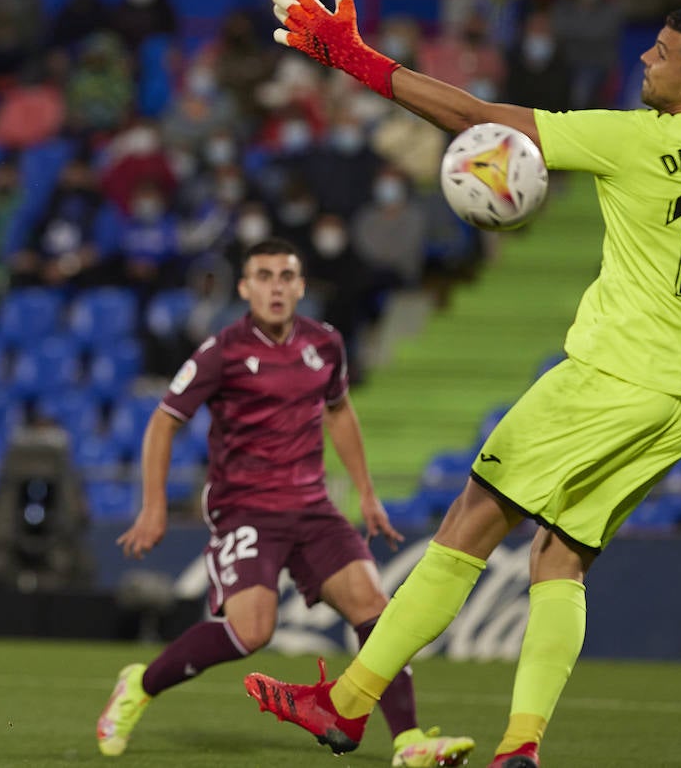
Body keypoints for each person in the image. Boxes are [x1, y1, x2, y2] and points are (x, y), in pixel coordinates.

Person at [244, 0, 681, 768]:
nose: (645, 55)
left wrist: (353, 58)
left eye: (665, 54)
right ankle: (520, 747)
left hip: (611, 376)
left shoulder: (638, 140)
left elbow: (472, 118)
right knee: (561, 556)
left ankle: (347, 703)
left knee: (471, 517)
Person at [96, 238, 474, 766]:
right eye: (264, 276)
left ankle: (408, 743)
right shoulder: (222, 349)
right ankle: (140, 684)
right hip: (245, 506)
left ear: (300, 287)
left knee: (377, 610)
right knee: (253, 630)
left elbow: (340, 412)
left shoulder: (326, 343)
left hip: (314, 506)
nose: (276, 286)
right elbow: (163, 420)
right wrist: (154, 506)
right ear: (246, 287)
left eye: (286, 276)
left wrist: (366, 494)